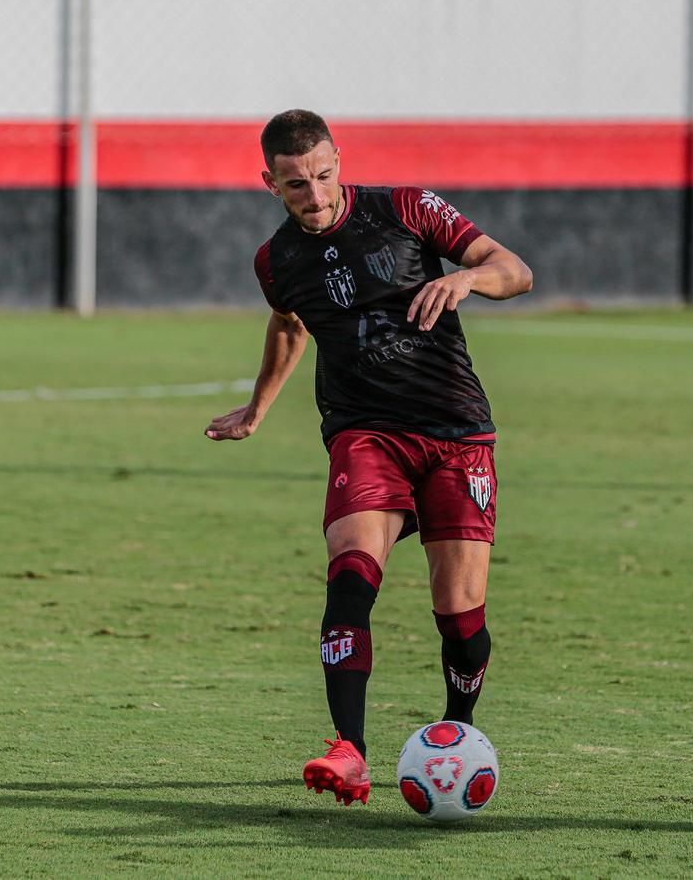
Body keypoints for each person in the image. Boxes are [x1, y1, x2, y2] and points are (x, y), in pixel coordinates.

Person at [205, 110, 532, 803]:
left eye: (323, 176)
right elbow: (290, 324)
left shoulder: (408, 209)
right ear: (270, 183)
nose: (315, 195)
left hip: (456, 431)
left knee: (459, 612)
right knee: (350, 574)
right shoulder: (276, 261)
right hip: (363, 432)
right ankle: (349, 747)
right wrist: (258, 407)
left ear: (338, 160)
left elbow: (515, 269)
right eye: (296, 185)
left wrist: (467, 280)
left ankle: (457, 732)